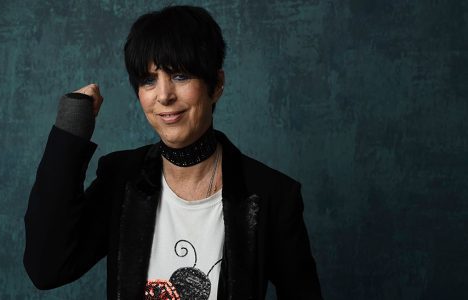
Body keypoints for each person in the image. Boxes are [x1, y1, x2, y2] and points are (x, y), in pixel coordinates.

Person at [23, 5, 322, 299]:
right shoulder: (122, 179)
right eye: (149, 79)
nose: (164, 95)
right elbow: (47, 268)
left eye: (180, 75)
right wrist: (71, 128)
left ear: (216, 84)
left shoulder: (272, 195)